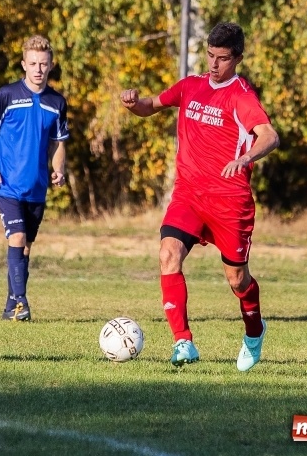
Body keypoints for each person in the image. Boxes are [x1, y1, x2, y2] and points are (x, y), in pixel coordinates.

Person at [120, 22, 280, 371]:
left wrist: (246, 156)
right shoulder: (190, 87)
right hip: (189, 195)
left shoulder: (241, 95)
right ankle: (183, 342)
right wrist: (133, 103)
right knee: (168, 254)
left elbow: (269, 135)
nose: (213, 64)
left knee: (237, 280)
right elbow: (151, 105)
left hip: (229, 200)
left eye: (222, 59)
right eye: (210, 55)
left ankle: (254, 330)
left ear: (237, 58)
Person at [0, 35, 68, 321]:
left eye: (43, 64)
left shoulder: (57, 102)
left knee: (26, 246)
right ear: (23, 64)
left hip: (36, 187)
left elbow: (58, 141)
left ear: (51, 65)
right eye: (32, 63)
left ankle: (10, 305)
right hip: (6, 184)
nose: (38, 69)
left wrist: (59, 169)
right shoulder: (7, 95)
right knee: (17, 237)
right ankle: (21, 302)